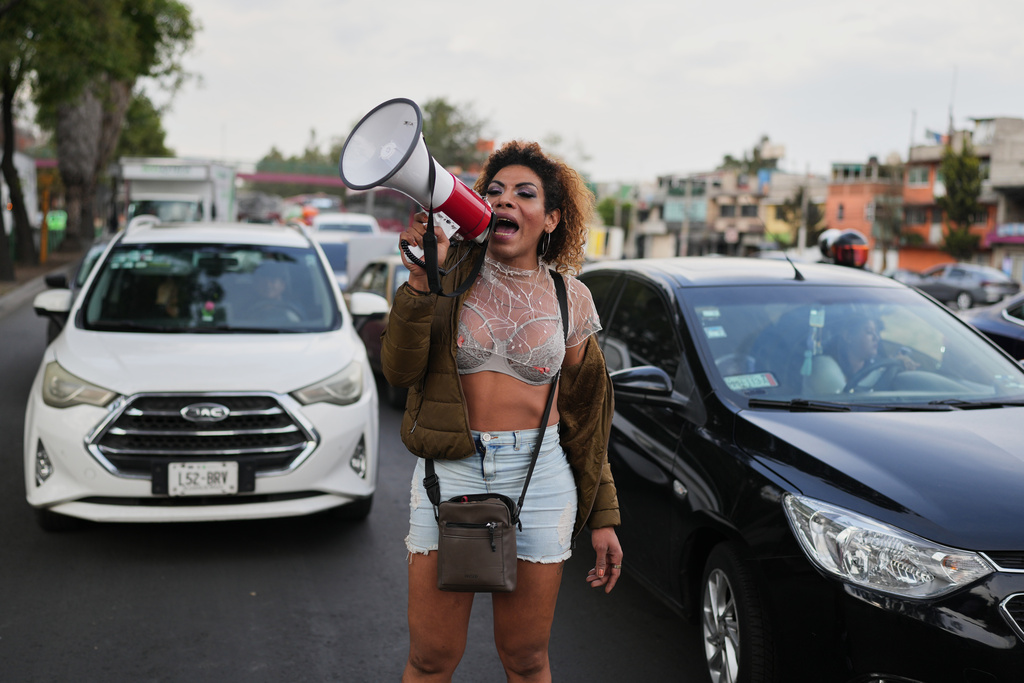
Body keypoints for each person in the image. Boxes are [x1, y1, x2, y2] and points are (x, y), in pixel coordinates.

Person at [381, 140, 622, 682]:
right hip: (451, 471)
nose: (504, 201)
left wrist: (604, 516)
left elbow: (587, 415)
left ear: (553, 218)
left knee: (526, 657)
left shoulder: (572, 298)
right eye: (494, 191)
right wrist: (421, 282)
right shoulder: (448, 275)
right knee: (430, 658)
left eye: (524, 193)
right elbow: (397, 371)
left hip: (541, 478)